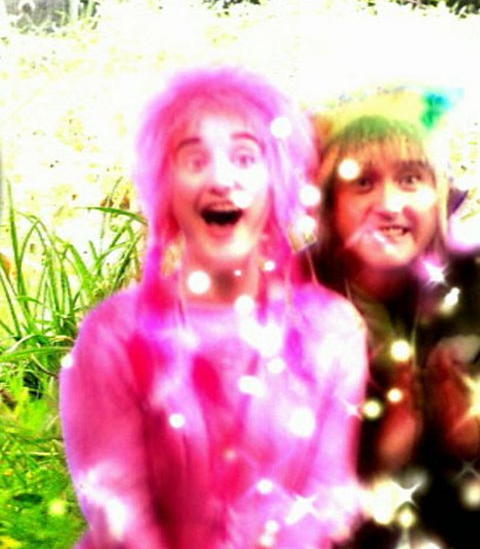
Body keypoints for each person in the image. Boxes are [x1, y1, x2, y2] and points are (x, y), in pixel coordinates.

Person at [59, 68, 367, 548]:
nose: (221, 179)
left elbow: (330, 494)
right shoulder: (114, 334)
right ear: (165, 186)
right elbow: (115, 504)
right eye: (194, 159)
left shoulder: (331, 330)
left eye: (245, 157)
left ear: (277, 181)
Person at [307, 88, 480, 548]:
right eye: (363, 183)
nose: (390, 204)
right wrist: (379, 457)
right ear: (329, 203)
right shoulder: (296, 301)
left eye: (410, 180)